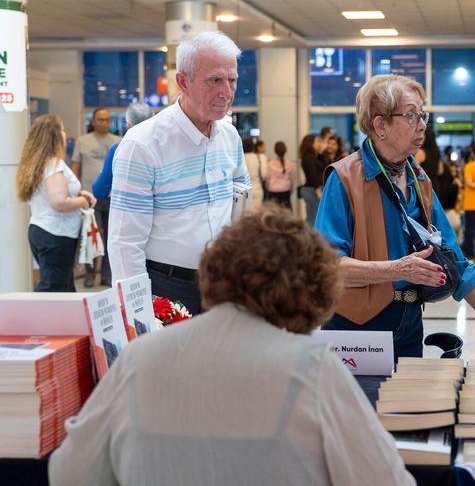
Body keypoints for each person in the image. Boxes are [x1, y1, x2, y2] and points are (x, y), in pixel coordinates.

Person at [49, 205, 415, 486]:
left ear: (213, 270)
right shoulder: (311, 368)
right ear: (315, 292)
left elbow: (69, 472)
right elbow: (387, 479)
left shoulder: (139, 358)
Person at [316, 74, 475, 360]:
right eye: (411, 115)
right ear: (380, 125)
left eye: (422, 114)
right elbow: (328, 267)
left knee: (406, 403)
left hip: (409, 321)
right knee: (362, 404)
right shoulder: (344, 179)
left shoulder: (418, 178)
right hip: (357, 327)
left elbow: (454, 260)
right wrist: (396, 270)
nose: (422, 124)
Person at [109, 31, 250, 314]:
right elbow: (125, 242)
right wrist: (138, 312)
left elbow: (240, 204)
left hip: (222, 284)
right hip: (166, 288)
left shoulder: (229, 137)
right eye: (215, 80)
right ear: (183, 82)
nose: (226, 92)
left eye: (231, 80)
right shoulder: (143, 145)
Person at [16, 115, 97, 292]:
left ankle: (64, 320)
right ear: (54, 135)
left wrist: (77, 193)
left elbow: (52, 193)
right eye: (61, 129)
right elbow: (59, 201)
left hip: (41, 230)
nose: (64, 133)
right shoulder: (54, 164)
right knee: (52, 286)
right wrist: (83, 201)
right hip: (56, 235)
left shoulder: (37, 164)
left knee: (63, 286)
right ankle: (29, 319)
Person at [72, 107, 121, 287]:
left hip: (113, 198)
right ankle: (90, 274)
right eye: (100, 119)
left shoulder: (118, 141)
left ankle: (107, 275)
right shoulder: (83, 141)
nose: (104, 123)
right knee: (89, 236)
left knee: (111, 238)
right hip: (89, 198)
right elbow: (76, 168)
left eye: (107, 120)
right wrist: (75, 192)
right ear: (93, 121)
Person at [91, 103, 154, 201]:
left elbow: (99, 191)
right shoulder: (166, 147)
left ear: (128, 125)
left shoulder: (118, 149)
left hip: (130, 211)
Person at [299, 133, 326, 225]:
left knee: (314, 216)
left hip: (313, 189)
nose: (319, 143)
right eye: (317, 141)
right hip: (312, 190)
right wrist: (317, 188)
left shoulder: (313, 156)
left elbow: (323, 166)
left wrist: (321, 152)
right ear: (311, 143)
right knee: (313, 218)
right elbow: (312, 174)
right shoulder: (308, 157)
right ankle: (309, 238)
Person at [265, 141, 296, 211]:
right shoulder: (290, 164)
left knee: (272, 214)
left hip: (272, 192)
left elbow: (267, 179)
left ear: (275, 151)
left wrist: (267, 189)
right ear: (285, 150)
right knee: (286, 215)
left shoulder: (270, 164)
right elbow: (292, 181)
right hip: (285, 192)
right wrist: (290, 191)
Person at [244, 138, 268, 211]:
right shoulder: (260, 157)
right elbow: (264, 175)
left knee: (243, 216)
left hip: (243, 190)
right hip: (257, 188)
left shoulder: (239, 158)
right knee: (256, 216)